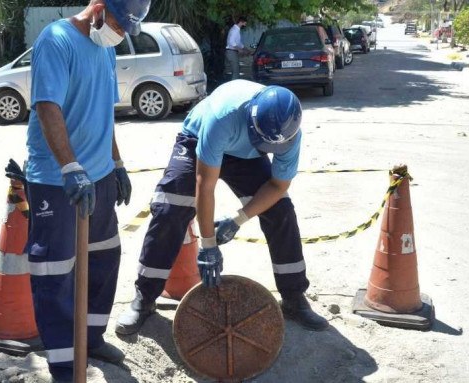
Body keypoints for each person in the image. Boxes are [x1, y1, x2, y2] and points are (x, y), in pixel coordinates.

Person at [115, 80, 329, 336]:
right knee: (171, 206)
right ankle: (145, 297)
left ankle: (293, 297)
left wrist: (239, 219)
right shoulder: (223, 117)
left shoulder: (288, 133)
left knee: (280, 211)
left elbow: (278, 186)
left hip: (246, 155)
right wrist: (208, 246)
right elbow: (205, 186)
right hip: (197, 139)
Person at [24, 0, 149, 381]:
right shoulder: (56, 40)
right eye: (118, 23)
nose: (121, 33)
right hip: (56, 179)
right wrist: (70, 167)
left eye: (128, 28)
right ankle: (65, 363)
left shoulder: (105, 49)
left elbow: (103, 113)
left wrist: (117, 163)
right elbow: (48, 107)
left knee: (104, 256)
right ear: (97, 8)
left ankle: (91, 338)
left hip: (99, 176)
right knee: (55, 271)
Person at [225, 16, 248, 81]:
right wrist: (239, 49)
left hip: (232, 52)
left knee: (236, 70)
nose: (245, 25)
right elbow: (231, 42)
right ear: (241, 22)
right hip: (232, 52)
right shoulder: (235, 30)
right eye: (244, 24)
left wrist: (245, 49)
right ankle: (234, 87)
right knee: (236, 72)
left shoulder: (236, 29)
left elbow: (238, 43)